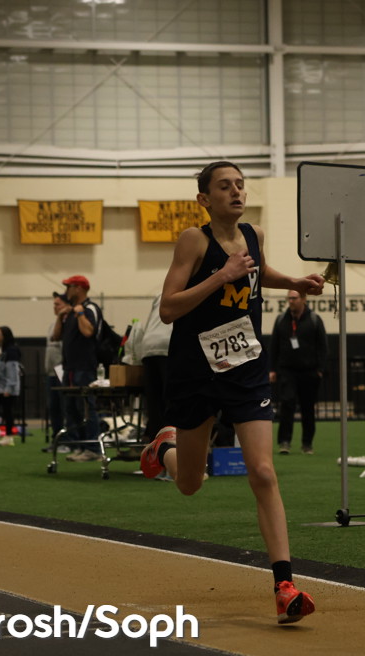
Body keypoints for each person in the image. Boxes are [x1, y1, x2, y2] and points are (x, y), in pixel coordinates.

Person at [139, 161, 322, 624]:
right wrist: (221, 275)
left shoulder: (254, 234)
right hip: (195, 371)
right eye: (225, 186)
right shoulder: (193, 240)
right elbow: (168, 308)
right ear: (205, 199)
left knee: (262, 471)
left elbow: (258, 273)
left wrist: (294, 282)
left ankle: (284, 585)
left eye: (240, 184)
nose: (236, 192)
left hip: (245, 365)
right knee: (190, 484)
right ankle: (164, 449)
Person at [270, 290, 328, 454]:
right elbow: (274, 345)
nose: (291, 301)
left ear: (303, 299)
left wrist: (320, 370)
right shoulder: (281, 319)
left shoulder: (314, 319)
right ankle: (284, 442)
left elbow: (323, 346)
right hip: (287, 371)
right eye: (289, 298)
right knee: (287, 404)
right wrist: (272, 369)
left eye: (294, 298)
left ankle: (307, 443)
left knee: (308, 408)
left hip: (309, 372)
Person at [52, 275, 102, 462]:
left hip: (85, 367)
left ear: (79, 288)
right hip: (70, 368)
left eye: (69, 286)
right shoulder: (70, 312)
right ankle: (81, 446)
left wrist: (80, 313)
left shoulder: (89, 309)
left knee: (88, 408)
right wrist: (60, 316)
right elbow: (56, 336)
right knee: (72, 409)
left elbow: (88, 332)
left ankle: (93, 448)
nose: (66, 290)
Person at [123, 293, 173, 441]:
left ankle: (155, 445)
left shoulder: (160, 294)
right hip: (168, 345)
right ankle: (170, 444)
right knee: (171, 401)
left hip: (148, 347)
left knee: (154, 404)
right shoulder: (191, 289)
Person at [0, 326, 23, 447]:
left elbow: (12, 371)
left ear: (4, 336)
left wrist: (9, 388)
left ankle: (8, 436)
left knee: (7, 412)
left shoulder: (11, 351)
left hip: (7, 387)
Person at [45, 292, 69, 445]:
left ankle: (67, 440)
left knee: (64, 407)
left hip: (62, 373)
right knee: (53, 408)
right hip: (51, 374)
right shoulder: (52, 325)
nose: (55, 307)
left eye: (58, 304)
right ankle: (57, 440)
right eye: (54, 304)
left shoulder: (69, 324)